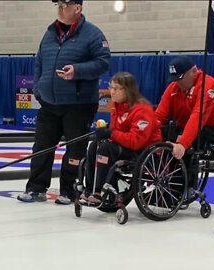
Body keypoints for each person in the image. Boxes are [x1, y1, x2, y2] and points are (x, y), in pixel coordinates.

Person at [18, 0, 111, 204]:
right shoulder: (50, 32)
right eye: (58, 4)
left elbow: (103, 62)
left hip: (79, 104)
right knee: (41, 147)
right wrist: (39, 87)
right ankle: (36, 188)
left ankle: (69, 191)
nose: (60, 8)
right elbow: (39, 61)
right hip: (49, 103)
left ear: (77, 8)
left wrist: (77, 71)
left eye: (65, 4)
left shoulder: (93, 33)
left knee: (75, 151)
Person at [81, 72, 162, 203]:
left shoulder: (142, 110)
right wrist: (106, 131)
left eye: (116, 88)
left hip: (144, 152)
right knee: (95, 145)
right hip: (126, 147)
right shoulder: (117, 107)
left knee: (105, 148)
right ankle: (90, 189)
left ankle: (99, 191)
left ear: (128, 90)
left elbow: (136, 141)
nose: (112, 91)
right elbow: (116, 132)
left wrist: (110, 134)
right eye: (111, 87)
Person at [155, 56, 214, 161]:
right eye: (175, 79)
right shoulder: (174, 87)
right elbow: (160, 115)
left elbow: (198, 117)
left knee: (190, 139)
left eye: (180, 78)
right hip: (188, 128)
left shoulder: (207, 86)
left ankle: (185, 175)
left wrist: (182, 144)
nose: (177, 83)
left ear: (194, 71)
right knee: (162, 131)